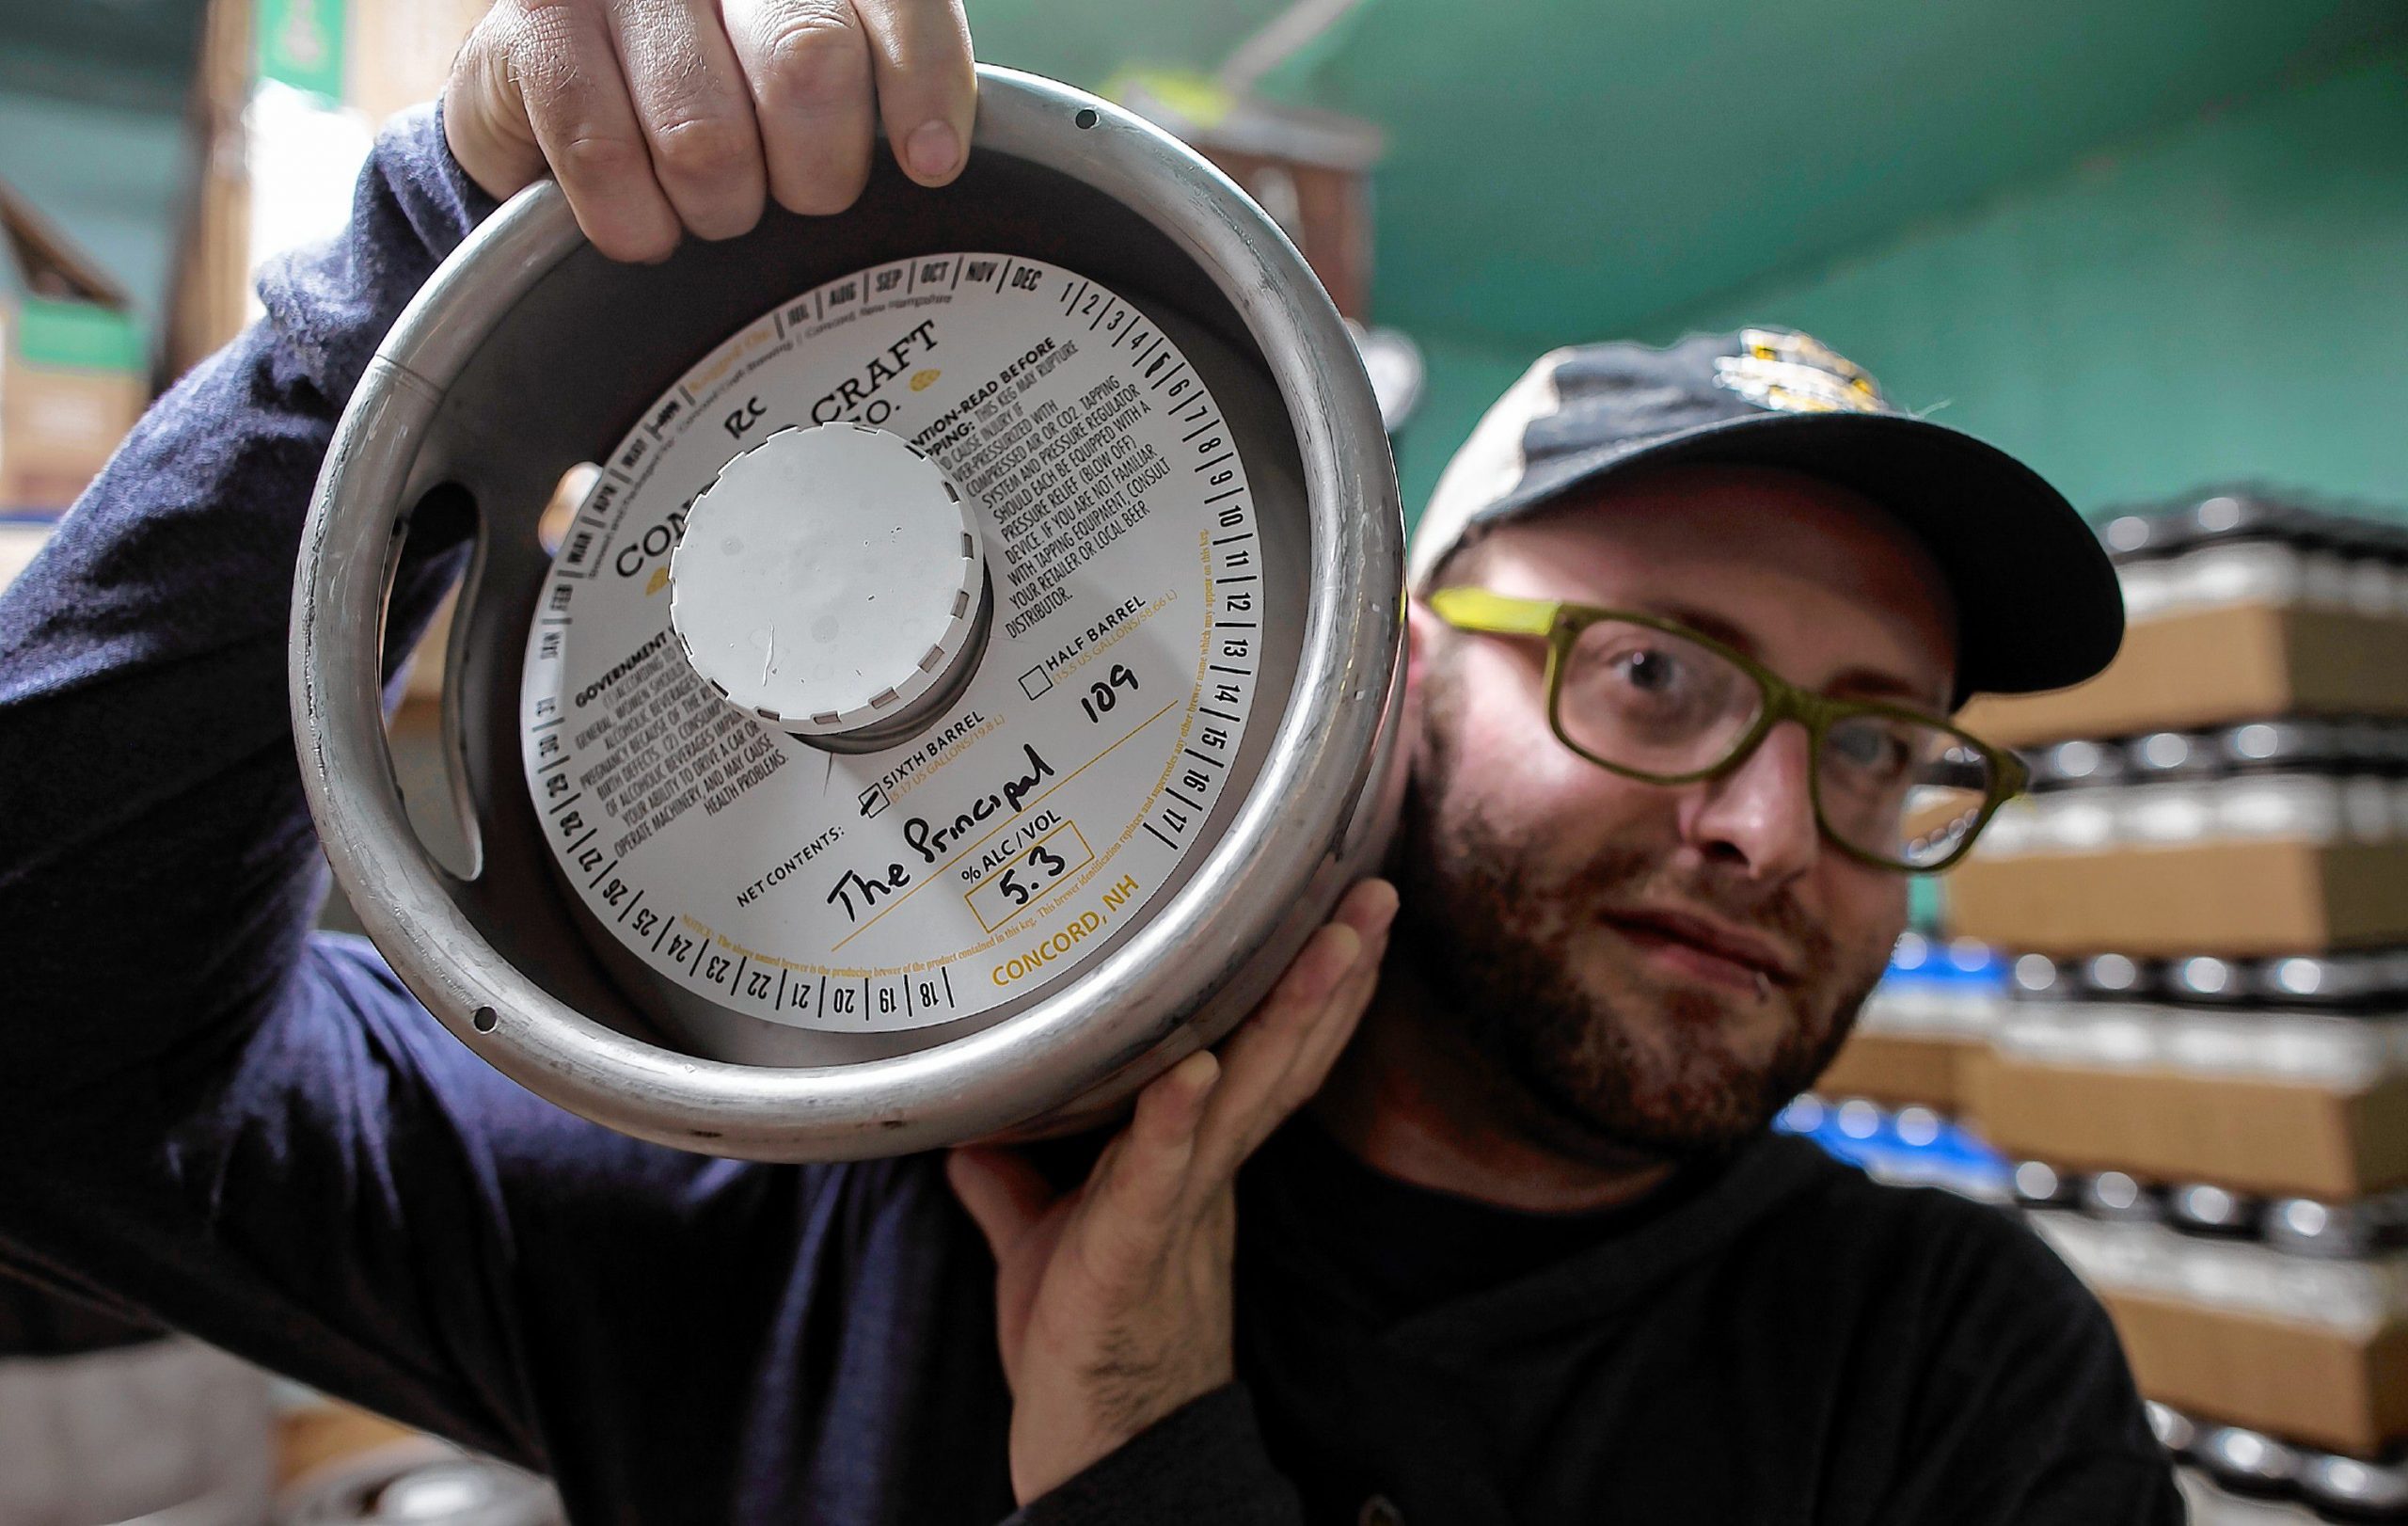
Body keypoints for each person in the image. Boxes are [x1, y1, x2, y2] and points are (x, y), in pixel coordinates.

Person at [0, 1, 2181, 1521]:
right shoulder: (768, 1210)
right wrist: (418, 272)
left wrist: (1146, 1461)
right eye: (1648, 675)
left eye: (1883, 744)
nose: (1762, 821)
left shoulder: (1949, 1375)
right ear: (1390, 665)